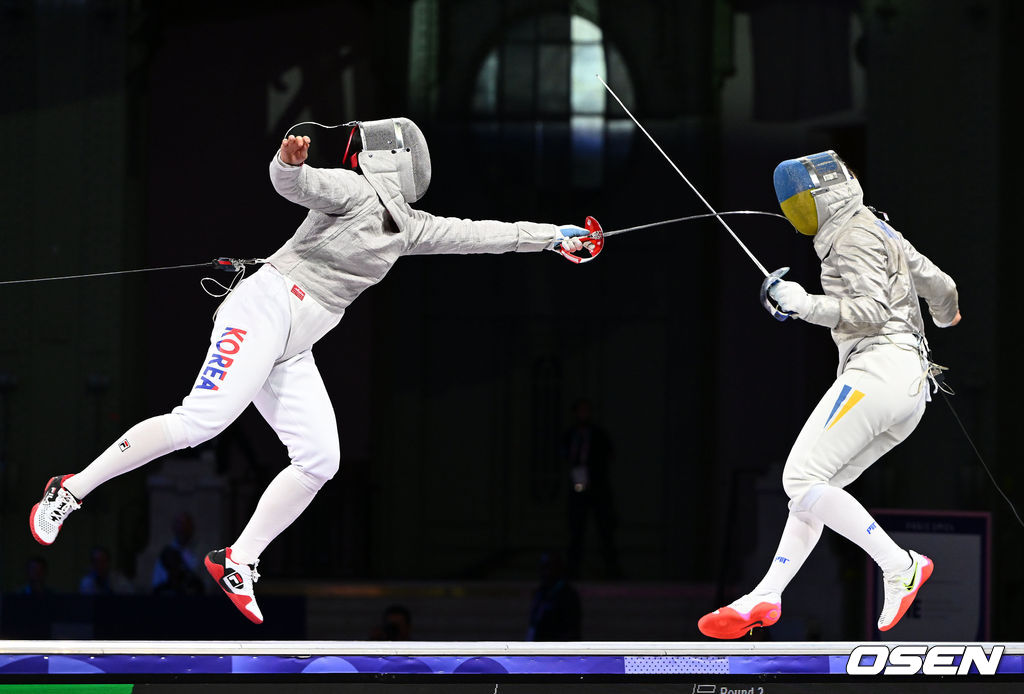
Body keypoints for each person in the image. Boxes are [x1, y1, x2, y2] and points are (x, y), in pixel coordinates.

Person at [29, 117, 594, 624]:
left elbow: (480, 235)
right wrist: (289, 162)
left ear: (387, 158)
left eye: (363, 148)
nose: (353, 154)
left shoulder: (412, 227)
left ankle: (239, 558)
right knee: (200, 423)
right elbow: (296, 185)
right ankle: (70, 491)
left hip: (294, 344)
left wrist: (554, 239)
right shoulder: (351, 190)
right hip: (264, 309)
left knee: (321, 458)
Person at [698, 150, 959, 639]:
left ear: (822, 197)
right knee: (814, 493)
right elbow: (941, 286)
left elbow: (870, 312)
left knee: (799, 477)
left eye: (798, 202)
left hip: (878, 371)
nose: (794, 211)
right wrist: (945, 316)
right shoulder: (879, 228)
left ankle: (899, 563)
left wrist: (803, 305)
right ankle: (768, 593)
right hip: (910, 389)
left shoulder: (852, 234)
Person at [562, 399, 621, 579]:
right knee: (576, 529)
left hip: (597, 488)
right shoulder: (570, 435)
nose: (583, 415)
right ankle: (573, 569)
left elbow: (608, 454)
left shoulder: (598, 435)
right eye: (580, 411)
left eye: (586, 411)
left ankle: (611, 569)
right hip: (577, 487)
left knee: (604, 529)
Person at [527, 551, 581, 641]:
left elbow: (571, 631)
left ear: (559, 568)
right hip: (538, 649)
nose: (545, 572)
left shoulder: (568, 595)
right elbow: (533, 624)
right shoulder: (540, 593)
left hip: (559, 650)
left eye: (549, 567)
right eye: (542, 567)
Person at [150, 511, 200, 589]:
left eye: (185, 525)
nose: (182, 529)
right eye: (180, 525)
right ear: (174, 528)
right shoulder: (166, 554)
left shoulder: (200, 553)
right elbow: (157, 583)